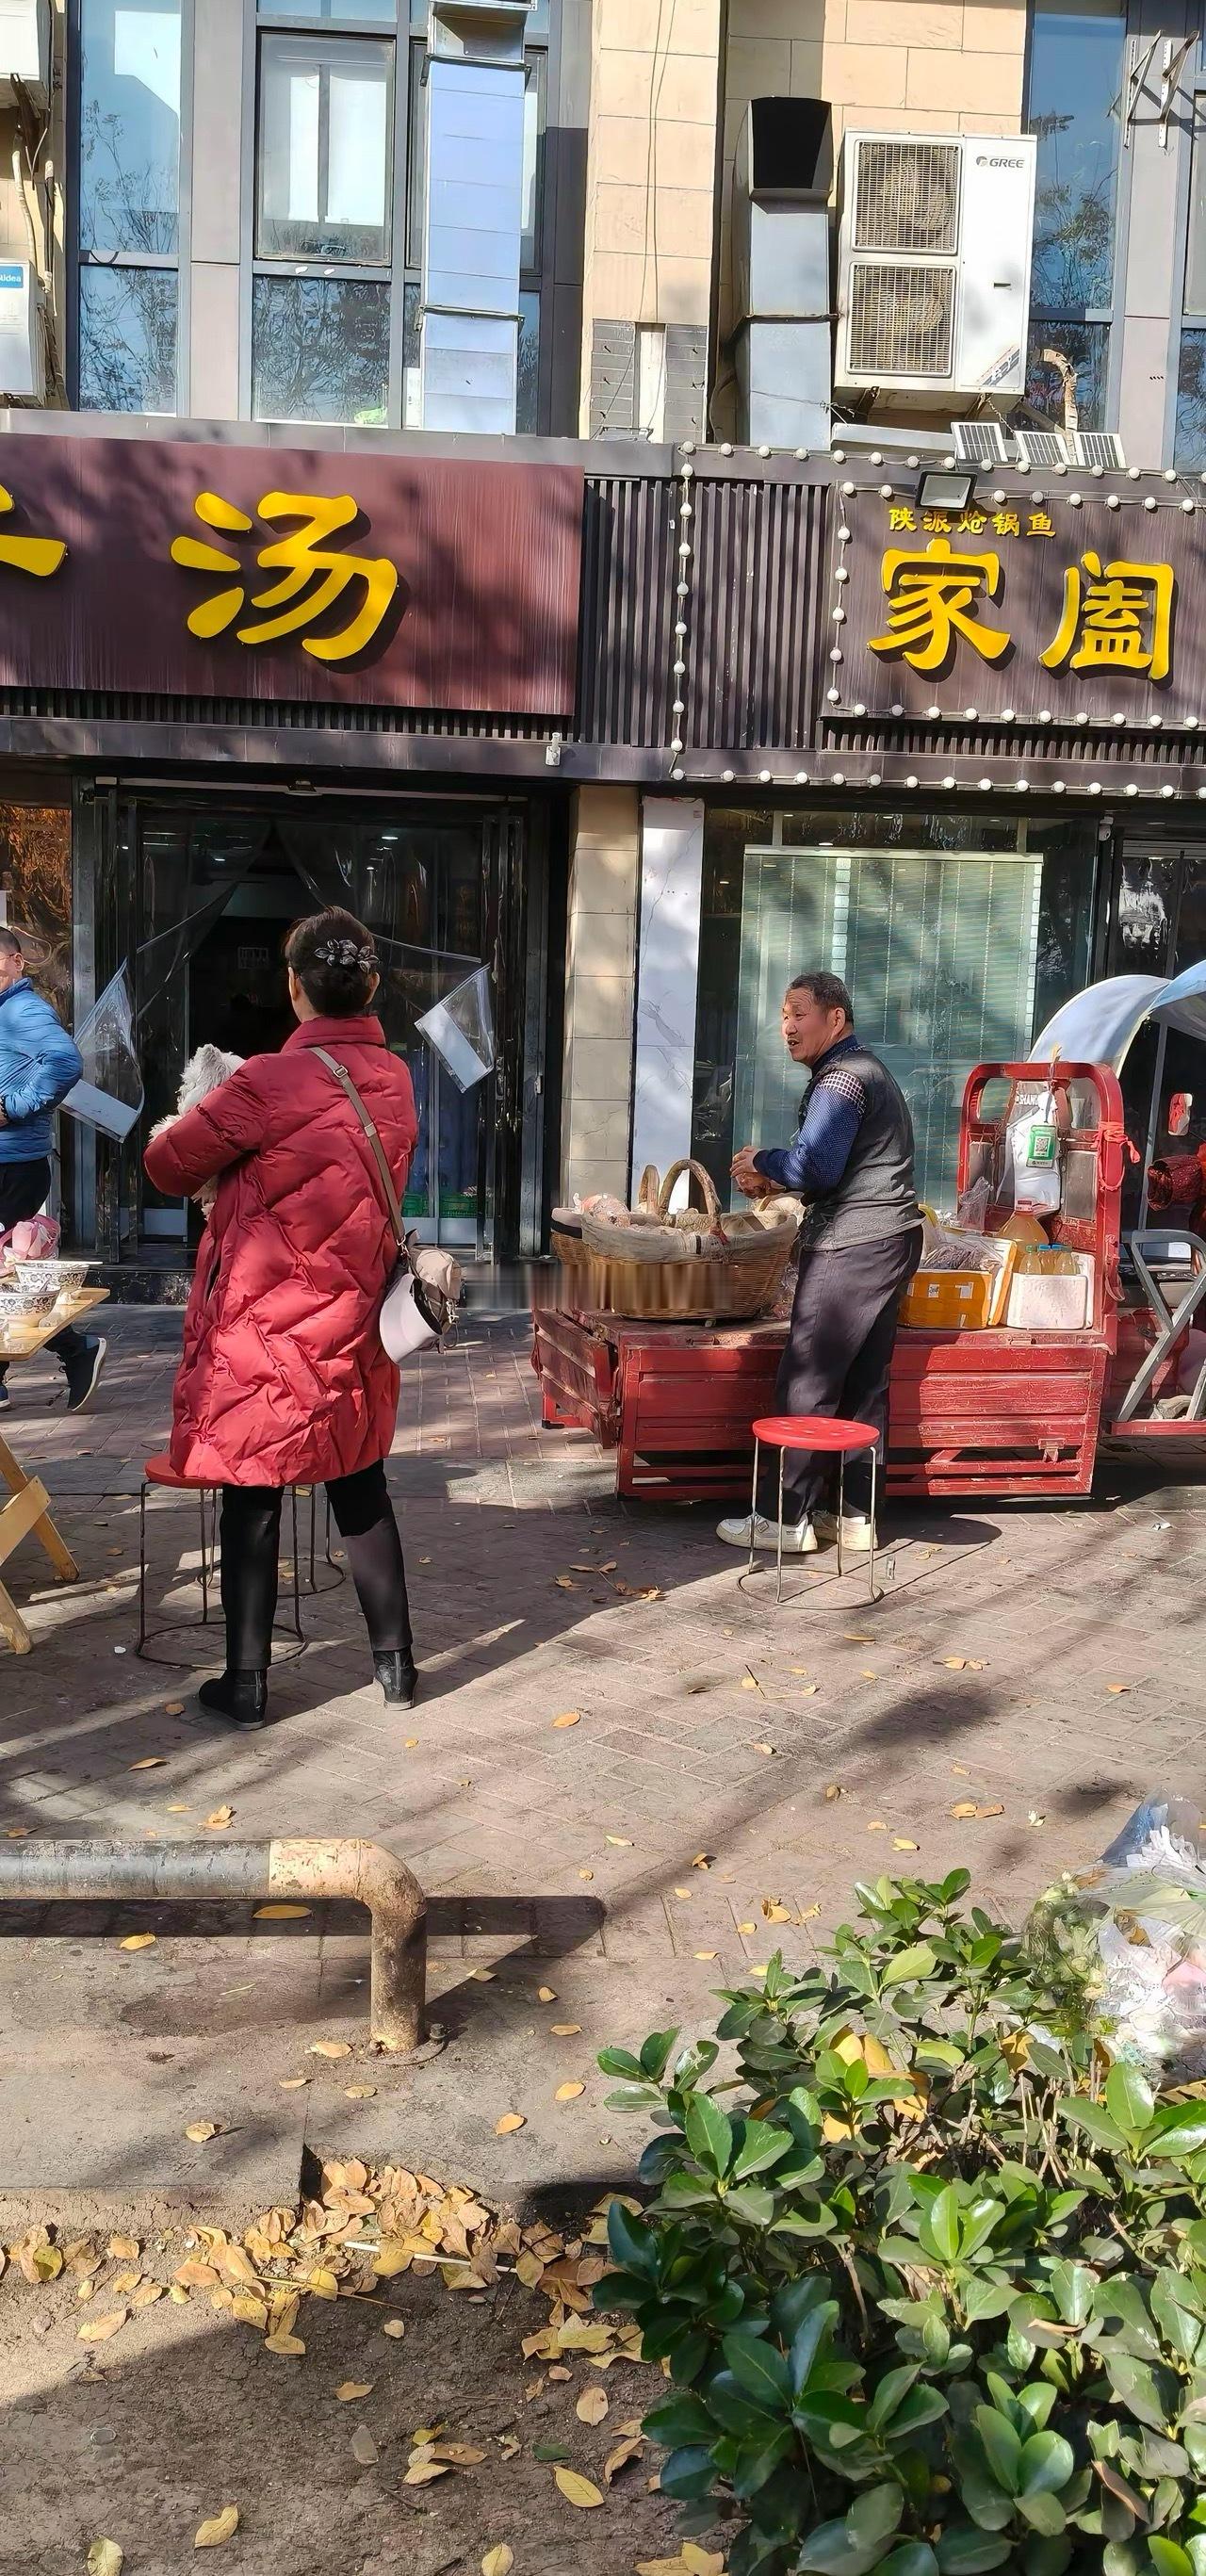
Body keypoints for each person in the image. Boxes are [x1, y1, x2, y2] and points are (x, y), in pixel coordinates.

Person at [143, 907, 419, 1729]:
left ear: (293, 986)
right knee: (360, 1482)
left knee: (251, 1495)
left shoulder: (263, 1081)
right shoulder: (396, 1079)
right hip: (356, 1317)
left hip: (266, 1326)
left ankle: (247, 1683)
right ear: (370, 986)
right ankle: (396, 1668)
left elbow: (166, 1165)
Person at [718, 970, 922, 1557]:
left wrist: (764, 1159)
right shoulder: (866, 1072)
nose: (787, 1027)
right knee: (864, 1384)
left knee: (809, 1376)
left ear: (835, 1019)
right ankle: (853, 1517)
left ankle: (783, 1518)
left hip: (855, 1244)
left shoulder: (841, 1080)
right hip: (891, 1238)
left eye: (798, 1013)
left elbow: (814, 1168)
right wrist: (777, 1172)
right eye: (784, 1015)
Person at [0, 925, 106, 1414]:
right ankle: (76, 1351)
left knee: (14, 1276)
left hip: (13, 1165)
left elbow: (65, 1061)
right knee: (13, 1277)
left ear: (17, 961)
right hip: (11, 1163)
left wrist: (17, 1105)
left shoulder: (22, 1009)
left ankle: (75, 1350)